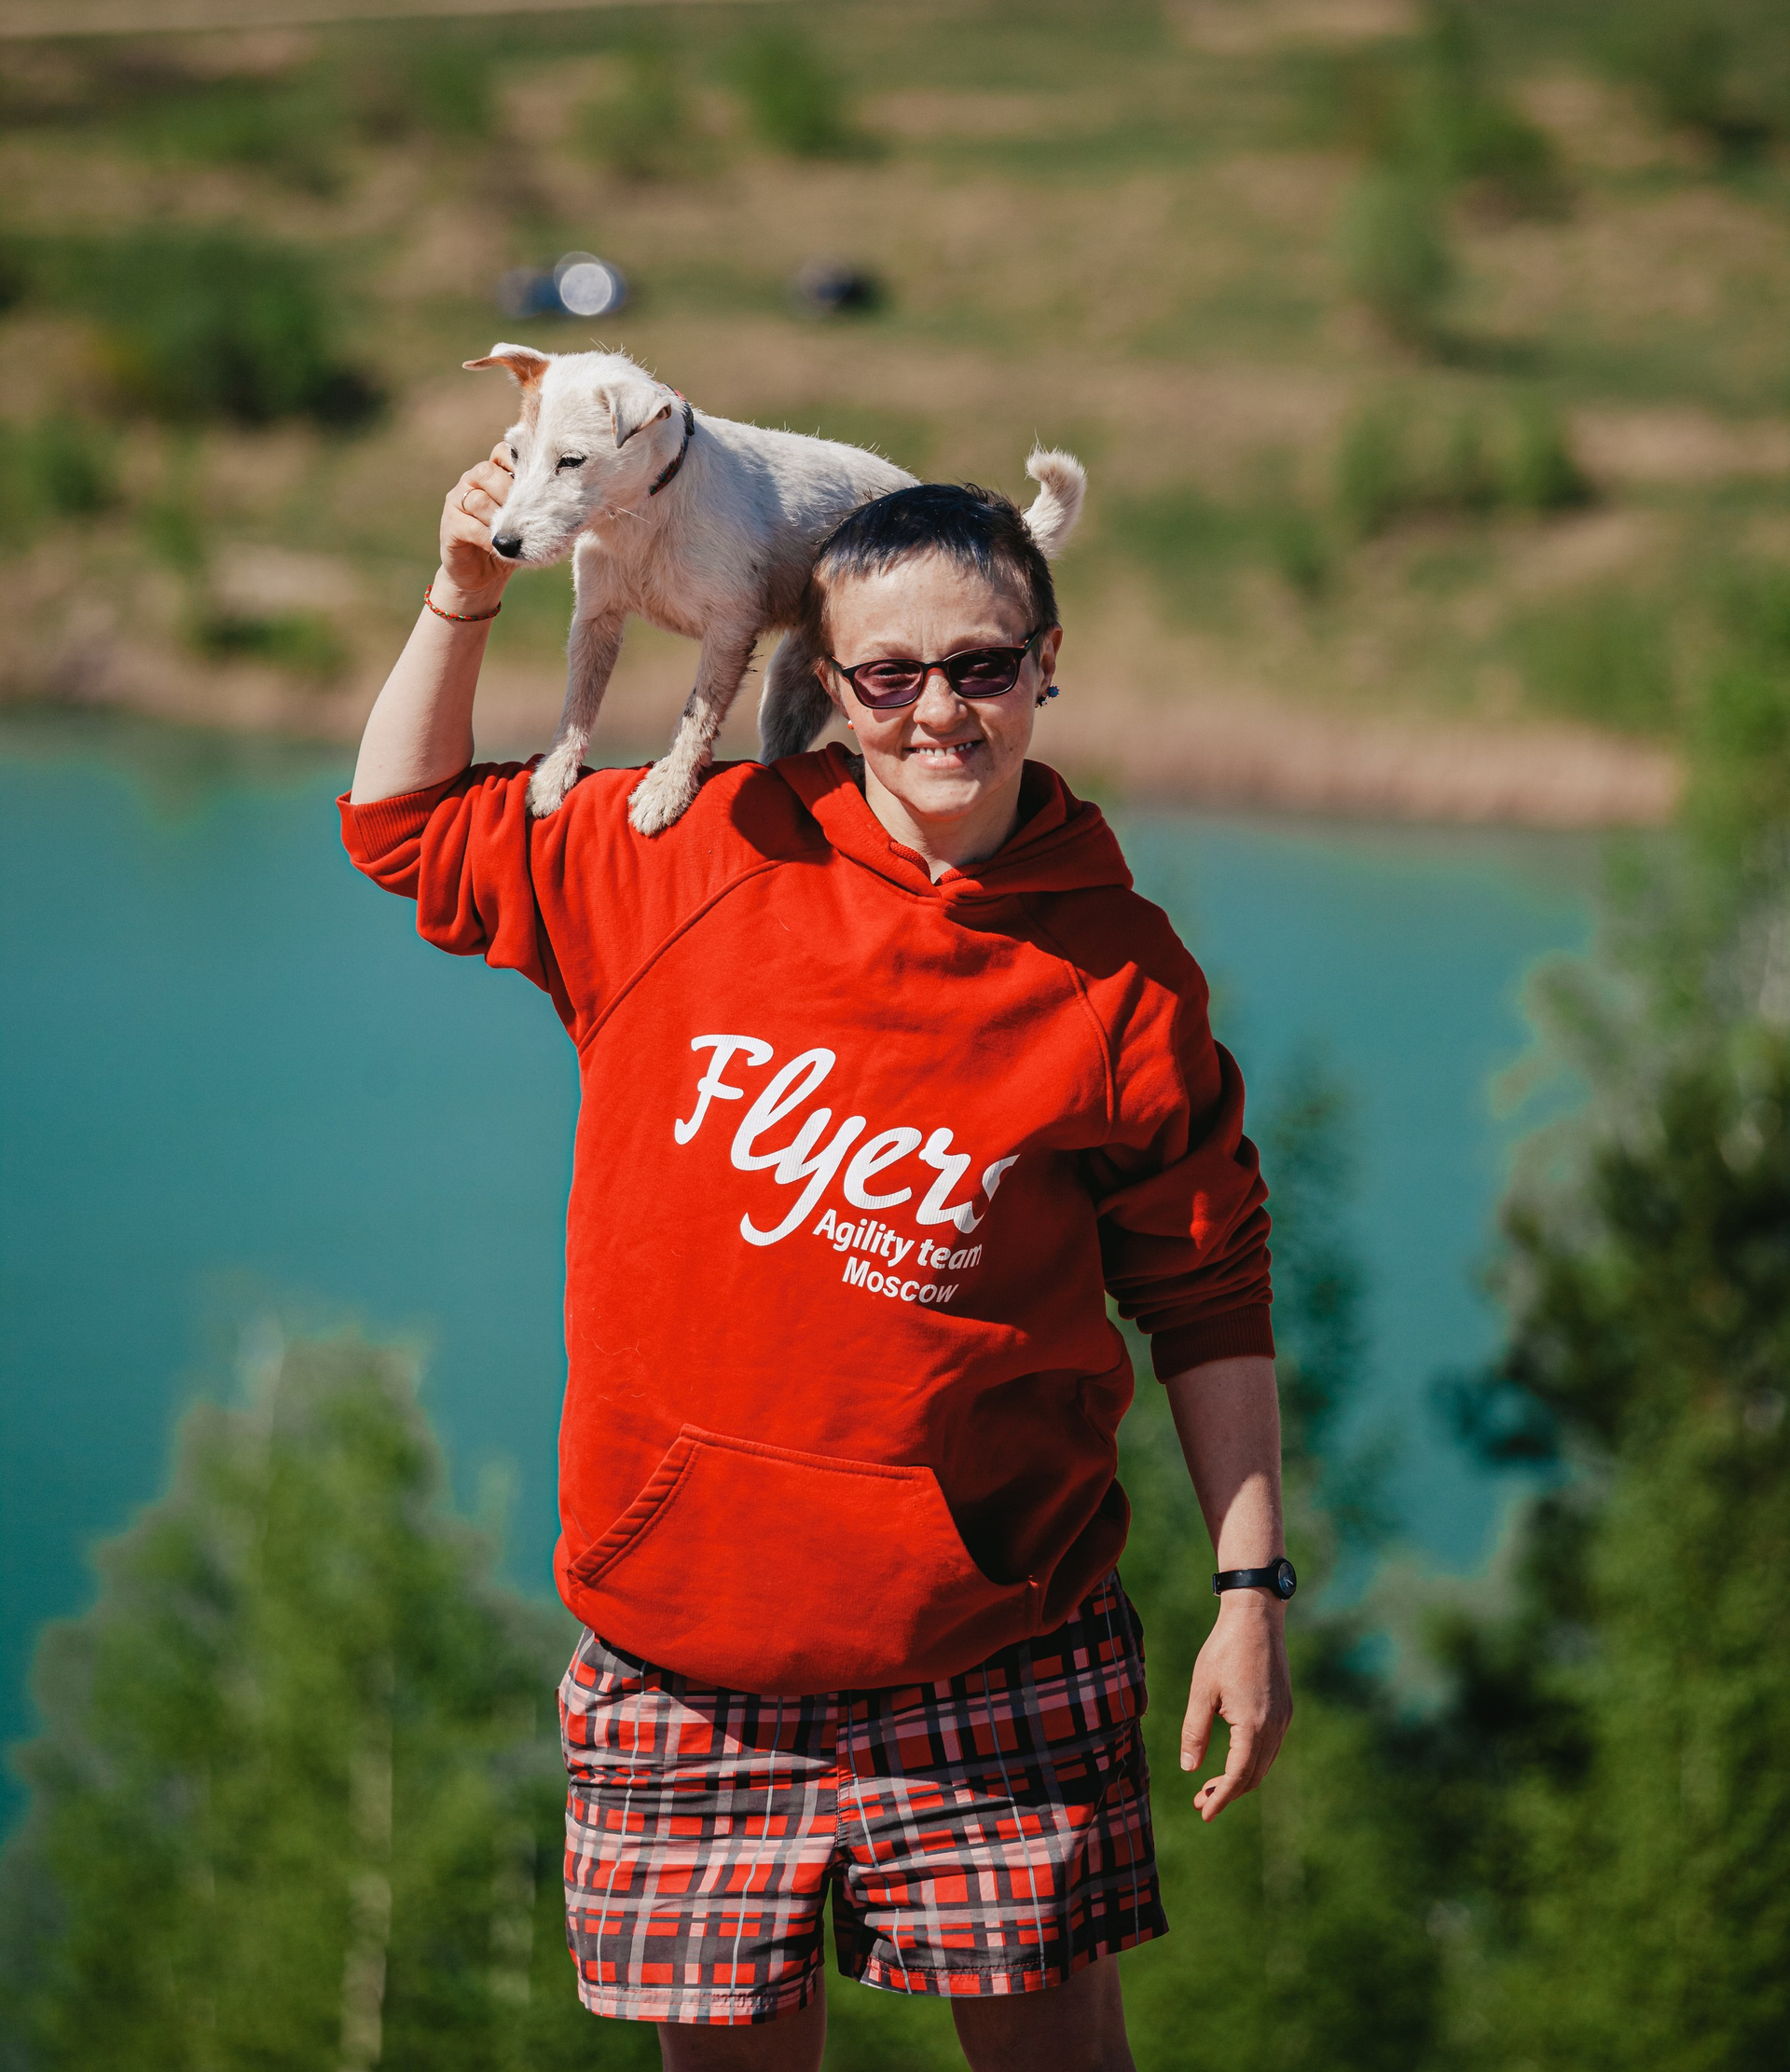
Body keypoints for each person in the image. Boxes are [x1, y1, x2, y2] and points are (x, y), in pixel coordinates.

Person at [341, 438, 1292, 2072]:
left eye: (981, 666)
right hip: (682, 1653)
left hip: (995, 1643)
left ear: (1046, 664)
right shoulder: (688, 859)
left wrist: (1249, 1589)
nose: (939, 713)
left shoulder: (1118, 977)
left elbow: (1207, 1291)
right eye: (888, 676)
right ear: (828, 685)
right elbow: (405, 826)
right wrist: (462, 592)